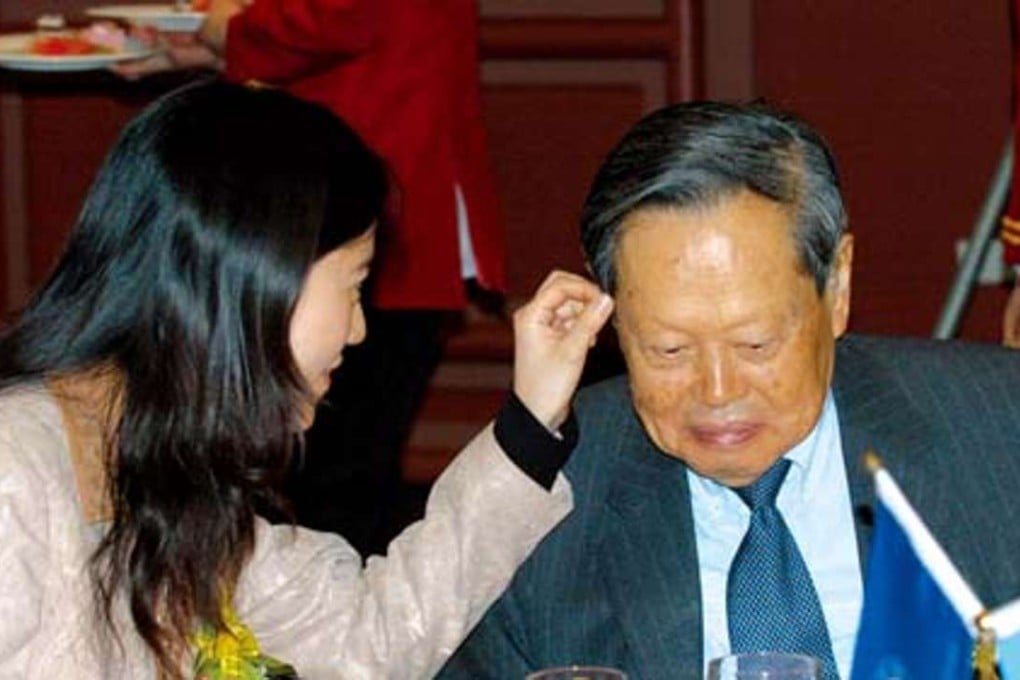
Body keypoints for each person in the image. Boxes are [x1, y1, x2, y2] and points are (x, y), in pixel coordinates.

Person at [0, 80, 614, 678]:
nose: (356, 331)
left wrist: (531, 420)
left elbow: (370, 639)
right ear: (255, 279)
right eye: (353, 284)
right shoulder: (14, 467)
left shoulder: (171, 479)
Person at [436, 101, 1020, 680]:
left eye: (756, 345)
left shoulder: (1000, 434)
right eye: (669, 350)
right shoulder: (537, 501)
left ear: (836, 286)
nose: (717, 392)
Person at [118, 0, 509, 554]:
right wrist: (224, 42)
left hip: (371, 174)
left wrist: (225, 26)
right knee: (344, 457)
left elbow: (335, 14)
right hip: (389, 160)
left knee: (334, 468)